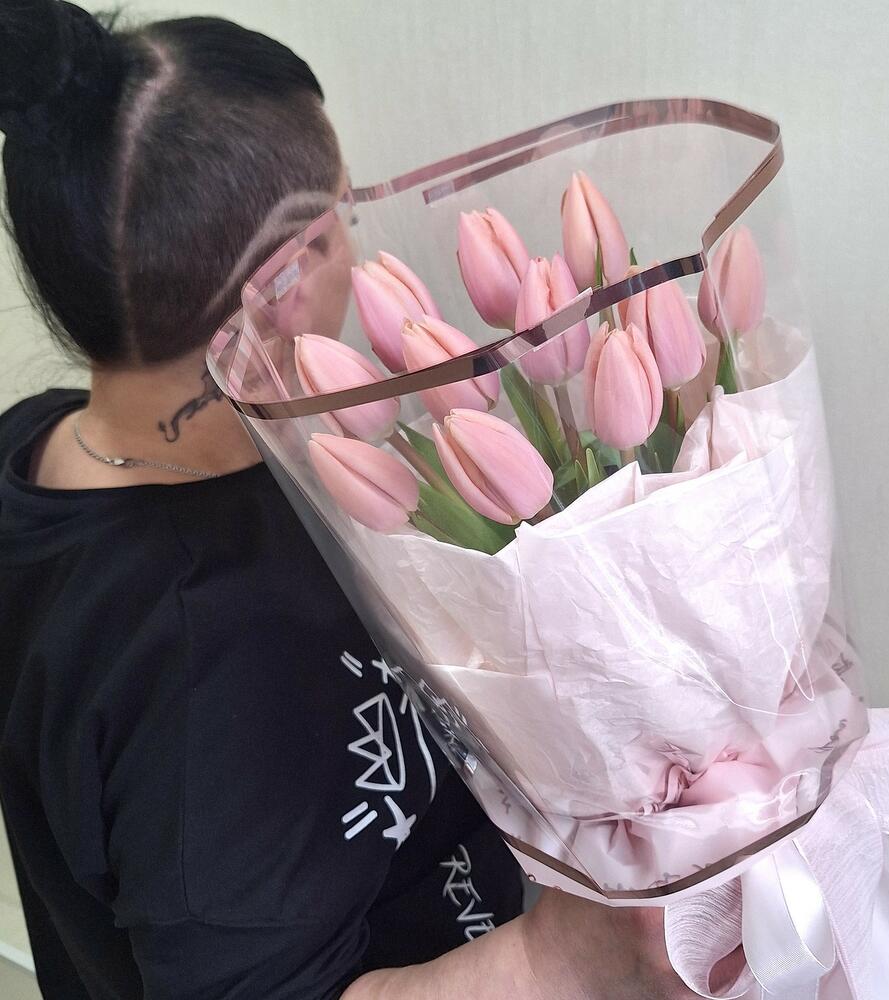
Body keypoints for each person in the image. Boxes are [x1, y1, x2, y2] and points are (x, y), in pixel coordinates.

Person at [0, 3, 696, 998]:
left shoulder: (38, 446)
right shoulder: (215, 653)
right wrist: (562, 958)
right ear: (281, 279)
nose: (359, 253)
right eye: (344, 218)